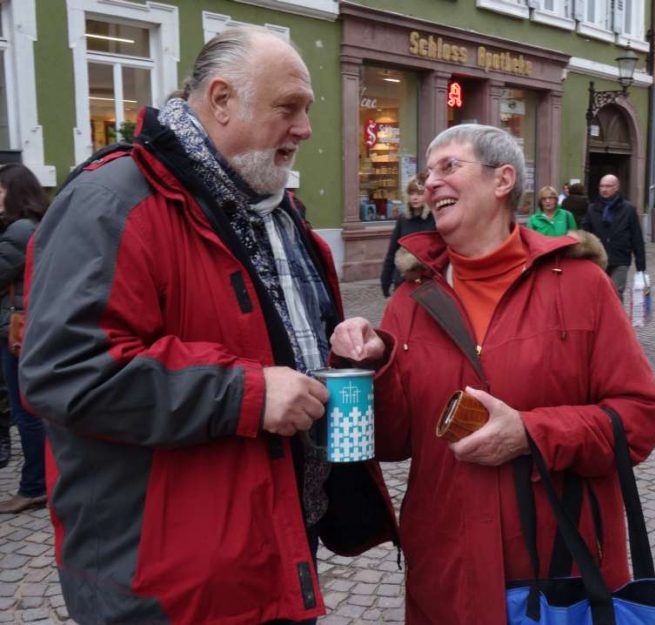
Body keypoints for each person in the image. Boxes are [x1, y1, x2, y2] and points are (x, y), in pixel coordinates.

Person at [19, 26, 397, 625]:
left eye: (307, 110)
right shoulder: (112, 201)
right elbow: (68, 372)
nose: (304, 129)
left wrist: (350, 347)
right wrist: (247, 393)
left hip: (274, 548)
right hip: (169, 583)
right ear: (221, 100)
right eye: (288, 108)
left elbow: (285, 340)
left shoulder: (276, 210)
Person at [329, 124, 655, 624]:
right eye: (427, 174)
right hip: (449, 571)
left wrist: (531, 434)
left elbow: (641, 418)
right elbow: (397, 441)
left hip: (562, 575)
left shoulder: (581, 285)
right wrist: (372, 366)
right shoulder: (411, 298)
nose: (431, 184)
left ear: (502, 179)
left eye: (449, 167)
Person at [0, 164, 47, 513]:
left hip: (16, 330)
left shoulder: (18, 230)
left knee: (25, 411)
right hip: (29, 325)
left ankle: (34, 486)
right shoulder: (35, 224)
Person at [582, 173, 646, 301]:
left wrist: (641, 267)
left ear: (616, 187)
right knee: (598, 294)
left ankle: (616, 321)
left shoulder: (628, 209)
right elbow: (585, 234)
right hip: (598, 259)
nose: (604, 189)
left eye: (608, 186)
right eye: (601, 186)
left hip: (620, 258)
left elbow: (636, 238)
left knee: (616, 293)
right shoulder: (592, 209)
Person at [380, 173, 436, 297]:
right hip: (403, 281)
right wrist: (385, 280)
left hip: (427, 282)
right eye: (411, 194)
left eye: (419, 194)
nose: (414, 198)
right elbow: (392, 250)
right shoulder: (403, 219)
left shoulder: (435, 220)